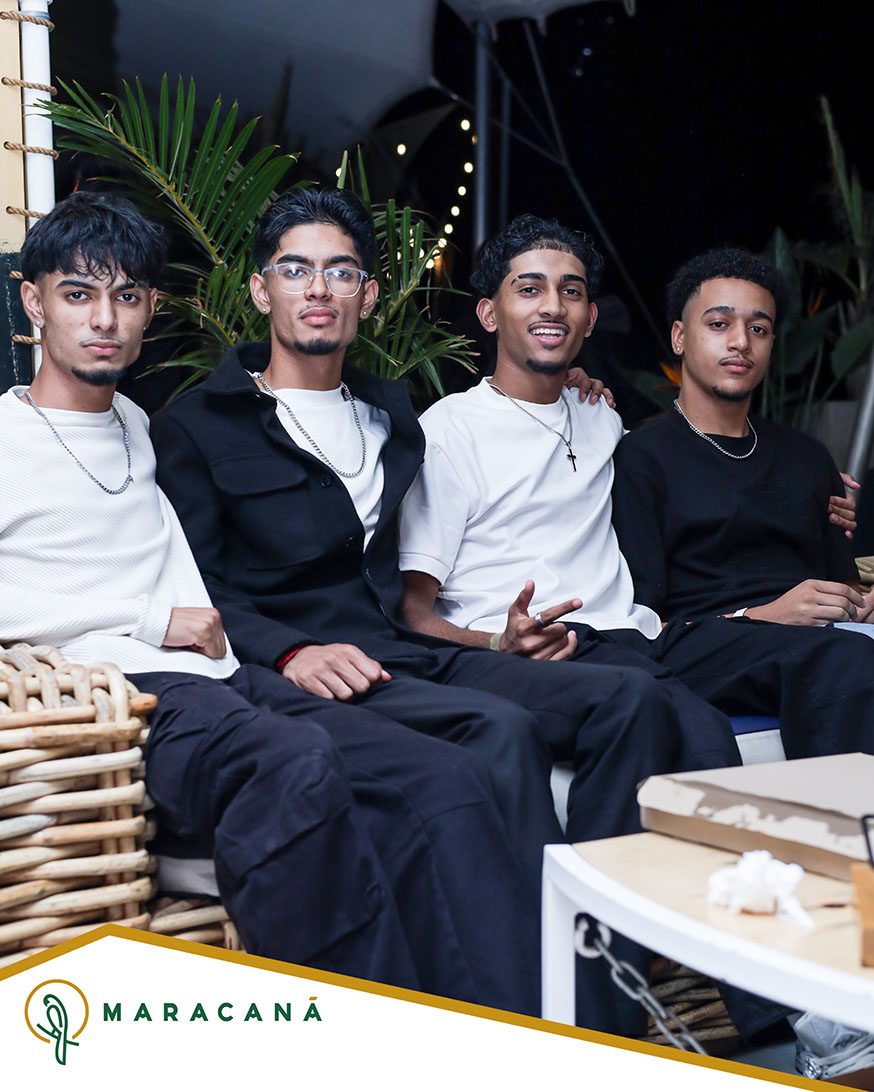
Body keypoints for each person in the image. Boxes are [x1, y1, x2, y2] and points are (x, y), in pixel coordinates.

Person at [149, 188, 743, 1035]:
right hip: (303, 663)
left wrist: (575, 384)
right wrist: (285, 652)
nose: (318, 289)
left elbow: (521, 416)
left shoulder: (393, 413)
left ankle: (595, 988)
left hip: (405, 647)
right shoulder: (197, 425)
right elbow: (195, 585)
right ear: (260, 288)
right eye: (295, 269)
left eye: (340, 272)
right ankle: (553, 1015)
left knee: (627, 698)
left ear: (367, 296)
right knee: (502, 733)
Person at [0, 190, 562, 1018]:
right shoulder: (9, 436)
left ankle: (525, 1031)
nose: (105, 320)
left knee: (445, 774)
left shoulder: (137, 425)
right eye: (78, 295)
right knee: (298, 764)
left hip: (229, 678)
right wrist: (152, 620)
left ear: (151, 308)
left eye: (127, 296)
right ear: (33, 301)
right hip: (132, 695)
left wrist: (575, 386)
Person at [398, 216, 874, 767]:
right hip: (526, 651)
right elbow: (412, 611)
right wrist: (496, 643)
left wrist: (819, 491)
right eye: (529, 289)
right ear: (488, 313)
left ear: (590, 318)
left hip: (626, 642)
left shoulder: (601, 420)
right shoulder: (448, 430)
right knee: (665, 716)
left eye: (570, 292)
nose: (552, 306)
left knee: (702, 730)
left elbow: (702, 471)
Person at [611, 246, 870, 630]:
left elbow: (847, 596)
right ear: (679, 337)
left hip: (828, 643)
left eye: (758, 329)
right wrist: (763, 617)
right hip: (711, 649)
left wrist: (861, 609)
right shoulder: (641, 458)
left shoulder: (808, 456)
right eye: (719, 324)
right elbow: (640, 629)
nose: (741, 342)